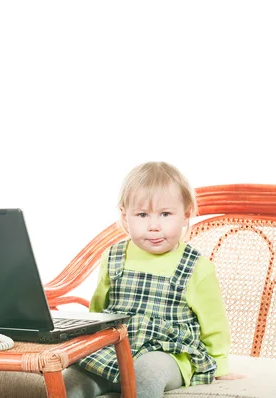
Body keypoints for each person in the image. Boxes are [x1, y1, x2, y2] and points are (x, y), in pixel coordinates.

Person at [62, 161, 238, 398]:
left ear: (185, 215)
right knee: (71, 380)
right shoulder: (114, 257)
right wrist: (89, 345)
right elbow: (98, 311)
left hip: (170, 354)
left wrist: (221, 364)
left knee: (146, 373)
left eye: (165, 214)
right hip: (116, 349)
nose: (154, 226)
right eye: (142, 215)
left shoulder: (196, 266)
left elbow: (214, 323)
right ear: (126, 217)